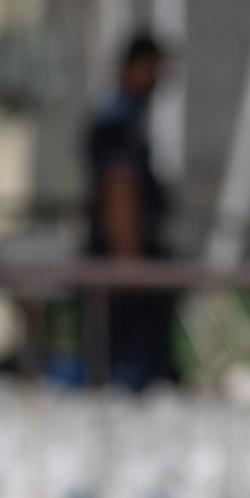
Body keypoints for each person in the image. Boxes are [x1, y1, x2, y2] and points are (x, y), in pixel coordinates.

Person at [83, 29, 176, 388]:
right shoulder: (117, 123)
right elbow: (119, 192)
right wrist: (129, 264)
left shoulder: (129, 119)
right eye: (154, 70)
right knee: (126, 369)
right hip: (126, 260)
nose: (157, 81)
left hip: (129, 257)